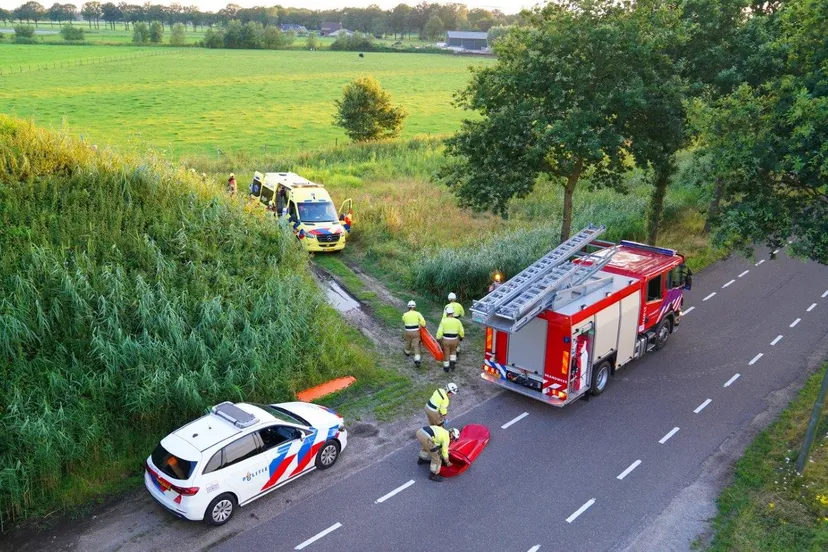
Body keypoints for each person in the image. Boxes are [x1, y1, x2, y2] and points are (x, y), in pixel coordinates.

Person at [436, 306, 464, 372]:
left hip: (446, 340)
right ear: (453, 313)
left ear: (446, 313)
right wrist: (461, 337)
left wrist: (438, 339)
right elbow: (461, 332)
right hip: (455, 340)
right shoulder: (457, 321)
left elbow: (439, 333)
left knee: (446, 353)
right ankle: (453, 364)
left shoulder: (443, 321)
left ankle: (446, 368)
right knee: (453, 351)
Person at [402, 300, 427, 367]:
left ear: (408, 307)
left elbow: (403, 321)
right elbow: (423, 323)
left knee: (408, 342)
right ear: (415, 307)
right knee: (416, 345)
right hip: (416, 332)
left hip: (408, 332)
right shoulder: (418, 314)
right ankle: (417, 359)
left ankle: (407, 351)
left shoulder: (405, 314)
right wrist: (422, 325)